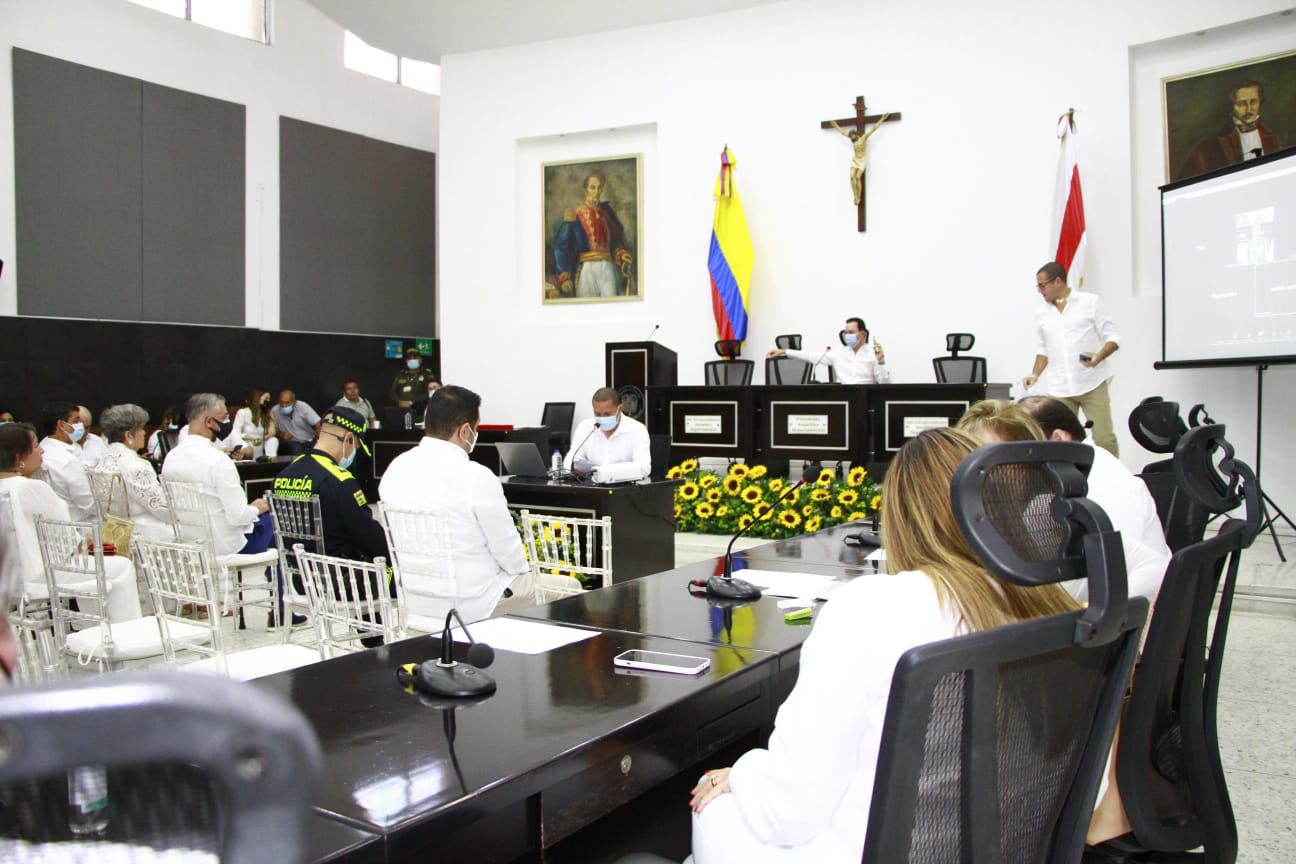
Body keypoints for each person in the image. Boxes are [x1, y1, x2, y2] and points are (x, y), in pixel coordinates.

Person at [687, 427, 1079, 863]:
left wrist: (742, 772)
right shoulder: (1051, 602)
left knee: (714, 809)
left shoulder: (873, 608)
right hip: (1001, 847)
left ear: (900, 517)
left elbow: (788, 813)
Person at [957, 399, 1167, 606]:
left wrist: (1090, 613)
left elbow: (1156, 569)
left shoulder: (1048, 514)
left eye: (997, 462)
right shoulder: (966, 520)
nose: (990, 477)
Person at [378, 385, 534, 624]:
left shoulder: (395, 468)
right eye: (477, 428)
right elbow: (510, 556)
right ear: (465, 431)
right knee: (569, 590)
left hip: (413, 601)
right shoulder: (475, 476)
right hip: (473, 604)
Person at [0, 423, 142, 623]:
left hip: (12, 576)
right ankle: (124, 631)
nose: (41, 449)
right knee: (122, 566)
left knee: (97, 566)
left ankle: (92, 627)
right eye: (34, 445)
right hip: (40, 575)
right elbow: (67, 542)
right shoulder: (30, 487)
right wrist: (93, 539)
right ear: (18, 457)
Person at [1024, 261, 1121, 456]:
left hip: (1091, 382)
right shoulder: (1042, 313)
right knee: (1059, 439)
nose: (1040, 291)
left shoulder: (1090, 302)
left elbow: (1113, 337)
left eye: (1042, 285)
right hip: (1060, 387)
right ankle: (1067, 480)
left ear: (1058, 282)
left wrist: (1098, 357)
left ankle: (1113, 478)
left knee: (1103, 438)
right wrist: (1035, 375)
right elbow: (1043, 349)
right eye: (1038, 286)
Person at [162, 393, 274, 560]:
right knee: (273, 521)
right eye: (225, 417)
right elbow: (238, 516)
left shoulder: (171, 458)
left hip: (190, 545)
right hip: (228, 548)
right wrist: (258, 507)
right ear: (209, 421)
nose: (228, 423)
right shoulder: (217, 459)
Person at [272, 406, 388, 565]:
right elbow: (370, 537)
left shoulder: (284, 475)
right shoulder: (340, 481)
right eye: (356, 447)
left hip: (301, 576)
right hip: (344, 579)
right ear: (348, 439)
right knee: (390, 567)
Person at [96, 403, 175, 542]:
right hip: (146, 537)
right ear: (128, 435)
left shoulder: (101, 463)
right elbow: (163, 509)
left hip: (114, 534)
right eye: (141, 429)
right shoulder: (136, 465)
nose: (145, 433)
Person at [1176, 81, 1283, 181]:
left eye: (1254, 102)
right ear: (1232, 106)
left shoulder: (1273, 138)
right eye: (1242, 104)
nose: (1249, 109)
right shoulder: (1211, 146)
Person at [550, 173, 635, 298]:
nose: (596, 191)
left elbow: (614, 240)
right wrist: (564, 275)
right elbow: (561, 247)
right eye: (592, 187)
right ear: (585, 190)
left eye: (599, 187)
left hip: (608, 267)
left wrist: (620, 253)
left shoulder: (607, 213)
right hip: (587, 269)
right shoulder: (576, 214)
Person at [766, 316, 890, 384]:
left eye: (851, 332)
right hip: (844, 399)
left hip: (865, 400)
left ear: (862, 334)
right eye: (845, 332)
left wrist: (881, 362)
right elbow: (812, 356)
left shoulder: (873, 354)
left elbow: (885, 384)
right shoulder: (839, 353)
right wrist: (784, 351)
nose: (847, 336)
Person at [564, 387, 651, 479]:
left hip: (624, 488)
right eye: (597, 414)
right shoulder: (585, 427)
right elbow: (569, 461)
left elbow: (644, 468)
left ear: (620, 408)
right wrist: (581, 467)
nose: (602, 418)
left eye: (607, 414)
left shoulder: (637, 429)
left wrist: (604, 472)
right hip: (592, 486)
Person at [37, 401, 97, 521]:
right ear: (61, 425)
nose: (80, 426)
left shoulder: (43, 446)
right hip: (80, 525)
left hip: (53, 523)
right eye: (76, 421)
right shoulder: (66, 461)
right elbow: (90, 504)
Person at [829, 114, 890, 206]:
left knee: (857, 177)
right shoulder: (851, 138)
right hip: (855, 160)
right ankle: (855, 195)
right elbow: (842, 132)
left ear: (855, 134)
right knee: (851, 177)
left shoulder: (863, 138)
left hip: (862, 160)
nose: (851, 138)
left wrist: (882, 119)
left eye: (852, 137)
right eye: (851, 137)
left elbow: (874, 128)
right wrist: (835, 125)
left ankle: (859, 197)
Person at [273, 389, 321, 457]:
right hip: (291, 443)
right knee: (295, 448)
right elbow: (272, 431)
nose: (283, 405)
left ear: (294, 402)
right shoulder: (275, 411)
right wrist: (281, 434)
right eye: (281, 402)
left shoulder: (302, 406)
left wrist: (318, 440)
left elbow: (318, 424)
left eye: (287, 403)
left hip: (308, 440)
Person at [233, 388, 279, 459]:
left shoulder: (267, 413)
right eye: (266, 398)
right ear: (257, 398)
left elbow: (272, 432)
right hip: (248, 442)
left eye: (269, 399)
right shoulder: (243, 412)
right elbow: (235, 433)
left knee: (273, 440)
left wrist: (261, 440)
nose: (268, 401)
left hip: (261, 442)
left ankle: (271, 461)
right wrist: (253, 439)